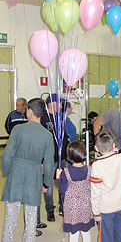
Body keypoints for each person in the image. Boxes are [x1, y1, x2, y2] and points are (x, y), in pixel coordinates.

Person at [1, 98, 54, 242]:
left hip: (16, 172)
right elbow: (49, 165)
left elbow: (6, 157)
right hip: (34, 175)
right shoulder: (47, 135)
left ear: (29, 111)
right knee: (31, 217)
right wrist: (46, 183)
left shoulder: (18, 129)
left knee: (11, 215)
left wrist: (7, 173)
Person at [90, 131, 121, 242]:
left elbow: (95, 193)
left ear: (96, 148)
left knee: (106, 236)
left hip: (105, 209)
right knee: (120, 234)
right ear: (113, 145)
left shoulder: (96, 166)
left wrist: (96, 212)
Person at [56, 141, 95, 242]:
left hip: (72, 207)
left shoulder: (66, 171)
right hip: (85, 205)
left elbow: (62, 189)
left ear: (69, 155)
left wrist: (57, 178)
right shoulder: (89, 169)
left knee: (73, 233)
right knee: (86, 232)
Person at [39, 93, 70, 221]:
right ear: (52, 103)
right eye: (59, 103)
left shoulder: (60, 117)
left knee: (63, 182)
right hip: (49, 158)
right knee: (49, 185)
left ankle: (62, 205)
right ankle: (50, 209)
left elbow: (65, 135)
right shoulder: (42, 118)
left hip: (62, 157)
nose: (61, 105)